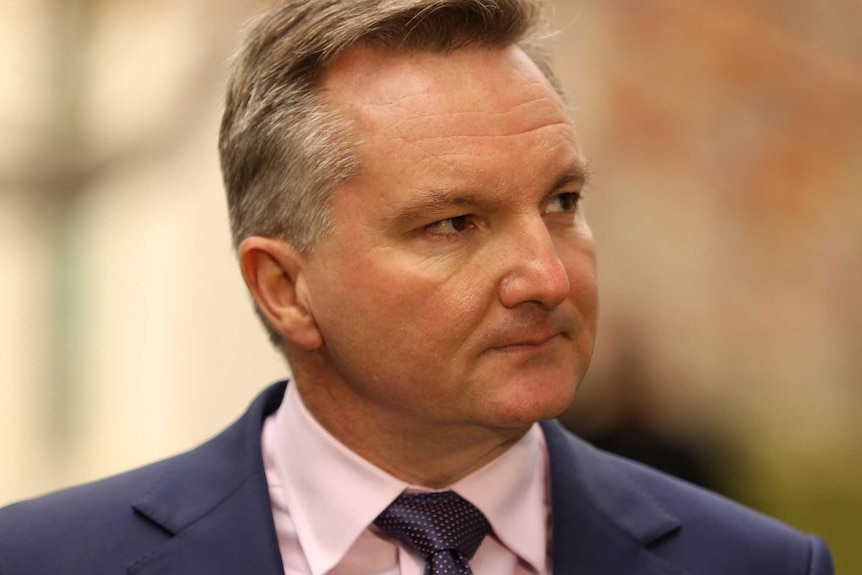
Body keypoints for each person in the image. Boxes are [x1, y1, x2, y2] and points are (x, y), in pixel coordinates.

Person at [0, 1, 834, 573]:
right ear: (284, 286)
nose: (546, 275)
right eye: (454, 224)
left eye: (562, 203)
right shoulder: (48, 561)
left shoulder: (757, 564)